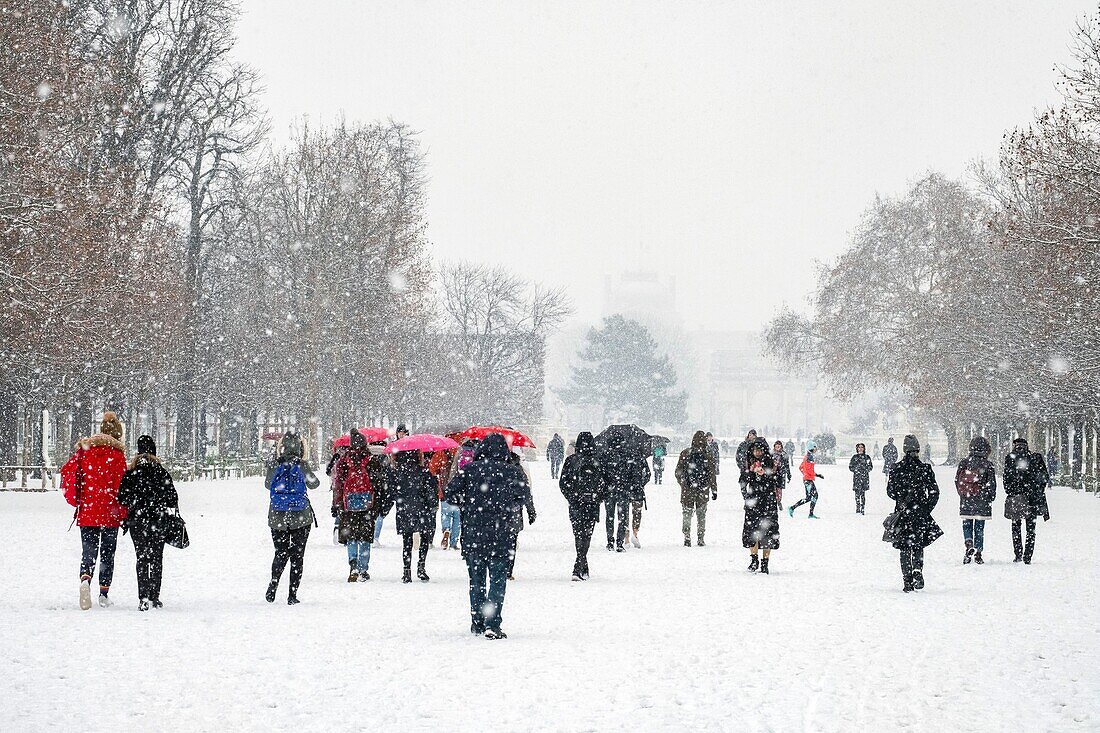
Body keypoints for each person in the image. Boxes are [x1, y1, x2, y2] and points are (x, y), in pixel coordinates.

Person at [446, 433, 533, 639]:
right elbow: (524, 496)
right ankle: (492, 623)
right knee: (497, 580)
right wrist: (508, 506)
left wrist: (467, 503)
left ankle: (477, 621)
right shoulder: (512, 472)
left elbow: (450, 493)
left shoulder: (469, 471)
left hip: (474, 532)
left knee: (476, 580)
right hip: (501, 534)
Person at [62, 411, 128, 610]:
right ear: (117, 434)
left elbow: (70, 474)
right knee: (108, 554)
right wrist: (123, 513)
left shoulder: (85, 451)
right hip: (110, 513)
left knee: (88, 551)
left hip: (88, 510)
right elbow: (122, 488)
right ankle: (104, 593)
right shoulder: (117, 456)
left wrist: (78, 500)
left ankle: (85, 579)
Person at [117, 435, 179, 611]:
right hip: (158, 521)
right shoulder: (161, 472)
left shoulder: (131, 472)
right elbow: (172, 498)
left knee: (142, 558)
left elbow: (122, 497)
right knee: (157, 558)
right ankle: (155, 596)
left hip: (137, 521)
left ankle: (143, 597)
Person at [265, 431, 320, 605]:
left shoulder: (275, 464)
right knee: (297, 556)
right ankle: (292, 594)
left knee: (280, 552)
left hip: (277, 516)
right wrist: (304, 467)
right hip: (301, 516)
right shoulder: (302, 465)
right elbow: (314, 484)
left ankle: (273, 584)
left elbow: (268, 484)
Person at [885, 435, 943, 592]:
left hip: (903, 513)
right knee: (917, 544)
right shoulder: (924, 468)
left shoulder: (896, 469)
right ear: (918, 449)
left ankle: (907, 580)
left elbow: (890, 492)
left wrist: (900, 497)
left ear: (904, 450)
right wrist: (926, 507)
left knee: (904, 546)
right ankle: (917, 568)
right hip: (919, 512)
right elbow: (934, 492)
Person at [331, 429, 385, 582]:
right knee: (365, 537)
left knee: (352, 536)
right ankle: (363, 568)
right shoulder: (371, 460)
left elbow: (338, 484)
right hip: (368, 504)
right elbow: (378, 484)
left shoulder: (344, 461)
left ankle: (353, 564)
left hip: (349, 505)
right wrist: (378, 505)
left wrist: (338, 503)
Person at [559, 432, 607, 580]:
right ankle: (579, 565)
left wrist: (572, 497)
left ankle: (580, 564)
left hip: (576, 503)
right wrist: (598, 498)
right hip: (591, 503)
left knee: (578, 534)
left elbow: (563, 483)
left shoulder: (571, 460)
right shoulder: (598, 460)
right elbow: (607, 483)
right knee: (587, 534)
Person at [388, 449, 438, 583]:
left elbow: (392, 493)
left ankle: (406, 571)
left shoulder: (398, 473)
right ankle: (421, 567)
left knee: (407, 541)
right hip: (422, 509)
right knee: (424, 539)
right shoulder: (424, 472)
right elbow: (431, 492)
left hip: (404, 510)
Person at [1003, 437, 1051, 564]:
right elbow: (1044, 477)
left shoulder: (1010, 458)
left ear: (1015, 446)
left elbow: (1006, 478)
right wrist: (1037, 490)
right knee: (1031, 529)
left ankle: (1018, 554)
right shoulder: (1035, 458)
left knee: (1016, 527)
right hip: (1033, 499)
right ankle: (1028, 556)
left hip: (1016, 498)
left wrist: (1012, 492)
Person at [602, 437, 651, 551]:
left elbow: (602, 474)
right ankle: (620, 542)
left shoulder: (605, 455)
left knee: (609, 517)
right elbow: (633, 474)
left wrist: (605, 487)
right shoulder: (627, 455)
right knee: (622, 517)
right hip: (623, 491)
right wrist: (631, 486)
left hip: (609, 491)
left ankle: (610, 541)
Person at [955, 436, 996, 565]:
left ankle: (969, 543)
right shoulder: (988, 464)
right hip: (982, 500)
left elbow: (957, 480)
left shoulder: (964, 462)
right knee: (979, 527)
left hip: (967, 499)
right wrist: (990, 497)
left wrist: (963, 493)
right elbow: (992, 483)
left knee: (967, 523)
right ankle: (978, 553)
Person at [741, 438, 780, 573]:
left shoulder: (771, 463)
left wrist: (766, 474)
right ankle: (754, 559)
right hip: (753, 502)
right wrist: (751, 473)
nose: (757, 453)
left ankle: (765, 562)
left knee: (768, 533)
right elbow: (743, 480)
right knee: (752, 532)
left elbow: (778, 480)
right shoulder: (748, 463)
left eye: (760, 450)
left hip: (768, 502)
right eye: (755, 450)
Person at [675, 431, 717, 547]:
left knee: (687, 513)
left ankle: (687, 536)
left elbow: (678, 472)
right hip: (703, 490)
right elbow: (712, 474)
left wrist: (683, 484)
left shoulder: (685, 453)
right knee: (701, 515)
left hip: (687, 490)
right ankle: (700, 538)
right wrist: (713, 489)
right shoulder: (707, 454)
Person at [506, 450, 537, 579]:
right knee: (512, 541)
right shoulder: (518, 470)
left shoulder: (492, 468)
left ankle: (497, 566)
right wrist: (531, 510)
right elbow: (525, 492)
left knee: (497, 540)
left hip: (495, 512)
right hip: (513, 511)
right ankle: (508, 570)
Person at [788, 440, 823, 519]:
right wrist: (816, 475)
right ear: (812, 447)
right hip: (808, 480)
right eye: (815, 447)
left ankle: (793, 508)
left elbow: (801, 467)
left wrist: (806, 474)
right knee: (814, 496)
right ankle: (809, 514)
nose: (816, 449)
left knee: (809, 497)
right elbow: (809, 470)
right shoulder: (810, 457)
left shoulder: (807, 456)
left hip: (807, 479)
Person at [848, 443, 873, 515]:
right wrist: (856, 470)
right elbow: (850, 467)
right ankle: (857, 507)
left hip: (864, 478)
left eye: (862, 447)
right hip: (857, 478)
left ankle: (862, 508)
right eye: (859, 447)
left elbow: (870, 467)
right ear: (857, 448)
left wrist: (865, 470)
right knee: (857, 493)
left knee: (863, 493)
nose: (861, 448)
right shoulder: (854, 457)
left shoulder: (867, 457)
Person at [772, 440, 791, 510]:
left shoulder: (784, 454)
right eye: (776, 444)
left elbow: (787, 465)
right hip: (772, 474)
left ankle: (779, 501)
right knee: (773, 489)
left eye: (779, 445)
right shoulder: (771, 454)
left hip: (781, 474)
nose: (778, 446)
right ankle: (774, 502)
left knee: (779, 489)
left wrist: (789, 474)